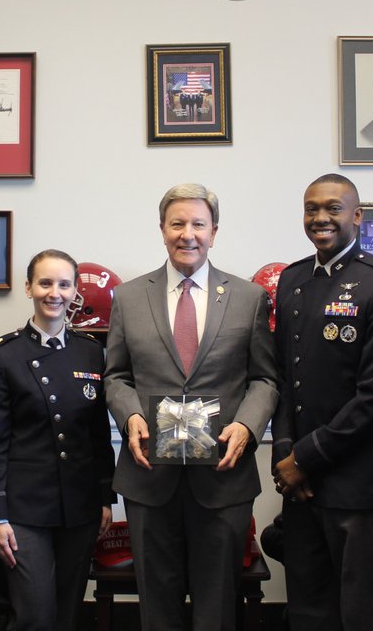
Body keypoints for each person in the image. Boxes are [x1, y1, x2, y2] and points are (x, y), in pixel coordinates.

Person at [104, 183, 279, 631]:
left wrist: (247, 425)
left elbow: (264, 378)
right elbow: (116, 376)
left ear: (214, 231)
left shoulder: (248, 298)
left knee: (217, 602)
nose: (188, 234)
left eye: (198, 224)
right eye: (177, 223)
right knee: (156, 603)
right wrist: (131, 415)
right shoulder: (128, 297)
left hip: (223, 474)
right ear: (162, 230)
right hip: (149, 477)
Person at [272, 174, 373, 631]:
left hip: (359, 483)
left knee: (359, 614)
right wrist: (284, 455)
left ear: (357, 216)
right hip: (300, 485)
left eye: (333, 208)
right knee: (308, 611)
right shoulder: (293, 279)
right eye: (312, 209)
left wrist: (305, 458)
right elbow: (284, 379)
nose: (320, 218)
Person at [0, 249, 116, 631]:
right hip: (23, 508)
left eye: (64, 284)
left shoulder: (91, 353)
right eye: (44, 283)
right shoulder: (5, 355)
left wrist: (106, 496)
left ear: (75, 292)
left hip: (80, 504)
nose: (54, 292)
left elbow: (98, 433)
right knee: (35, 614)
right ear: (28, 288)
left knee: (68, 610)